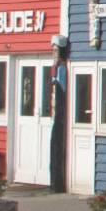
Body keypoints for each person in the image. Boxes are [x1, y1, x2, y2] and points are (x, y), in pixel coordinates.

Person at [48, 39, 70, 193]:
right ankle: (54, 182)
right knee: (53, 146)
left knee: (57, 146)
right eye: (53, 51)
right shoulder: (55, 68)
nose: (54, 54)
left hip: (60, 115)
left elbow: (61, 91)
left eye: (56, 51)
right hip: (54, 113)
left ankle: (57, 183)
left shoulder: (62, 68)